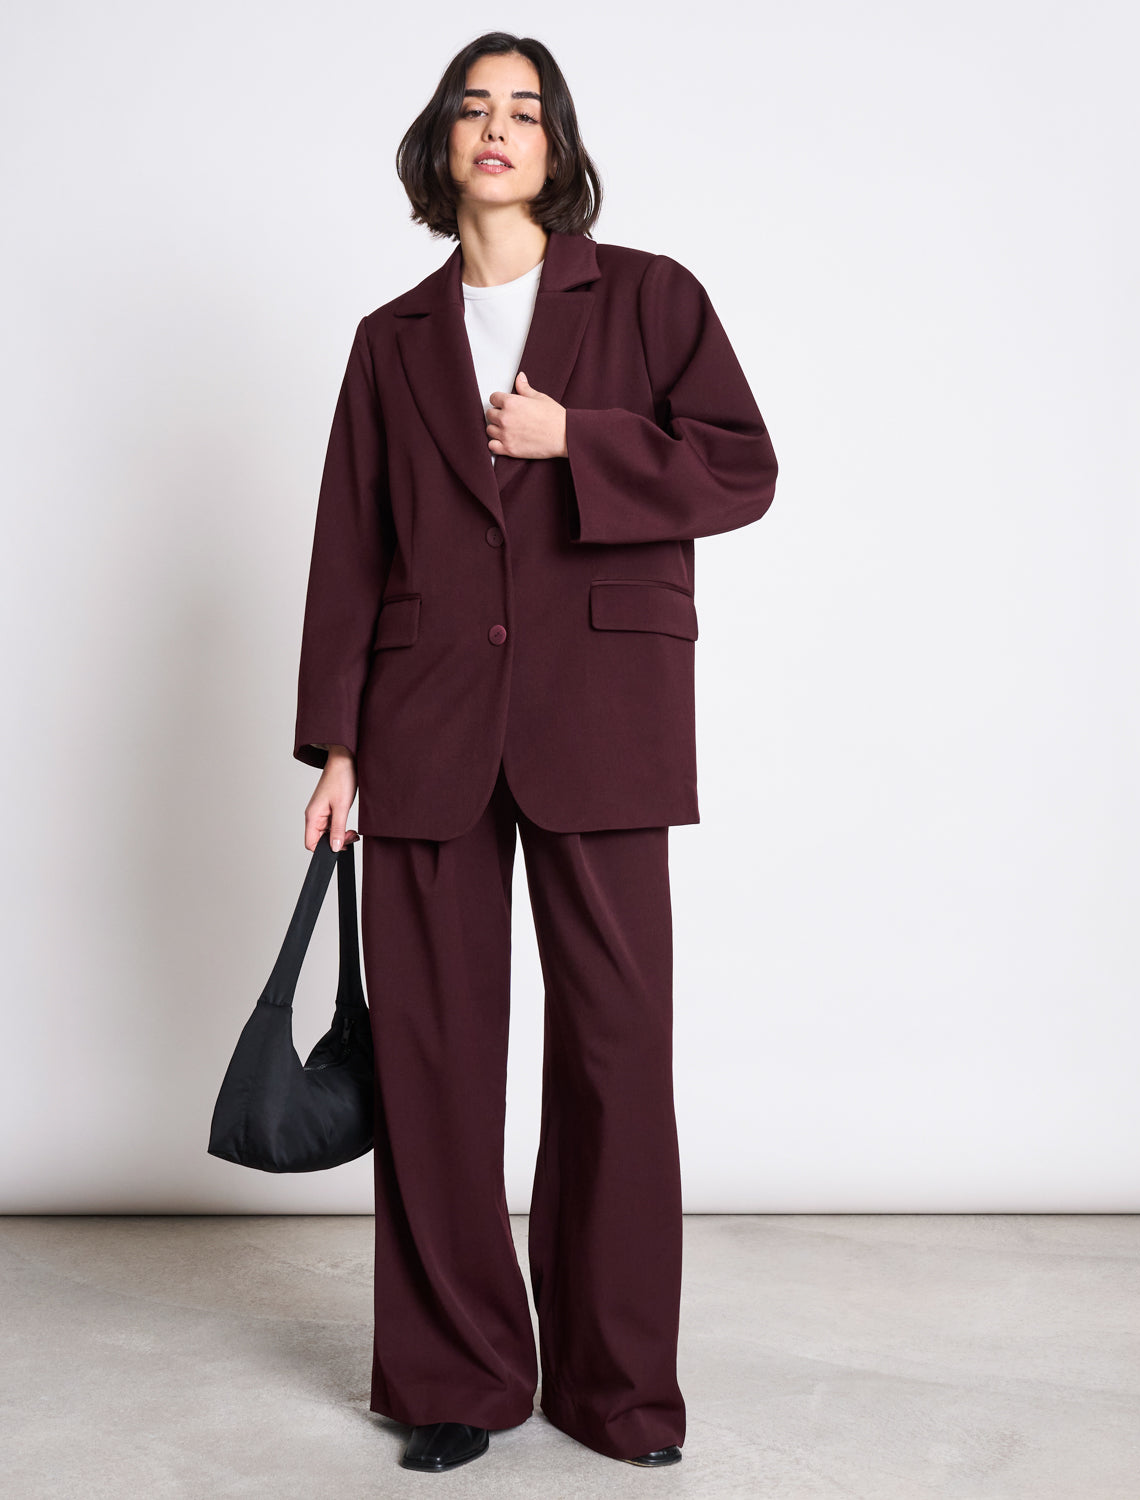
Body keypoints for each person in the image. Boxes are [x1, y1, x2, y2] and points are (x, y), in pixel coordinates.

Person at [292, 31, 778, 1476]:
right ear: (442, 145)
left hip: (608, 720)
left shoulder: (649, 298)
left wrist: (585, 440)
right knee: (437, 1064)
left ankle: (617, 1392)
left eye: (525, 109)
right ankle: (457, 1377)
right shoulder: (390, 341)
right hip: (425, 721)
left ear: (557, 146)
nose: (497, 128)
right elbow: (348, 548)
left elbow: (742, 467)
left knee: (617, 1060)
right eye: (472, 107)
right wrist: (335, 744)